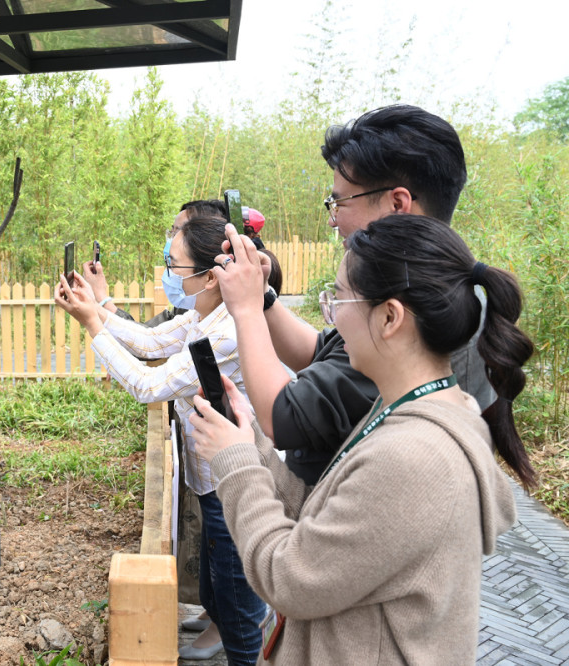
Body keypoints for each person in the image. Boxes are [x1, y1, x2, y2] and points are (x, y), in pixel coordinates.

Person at [189, 214, 530, 664]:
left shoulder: (413, 457)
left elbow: (290, 579)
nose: (331, 317)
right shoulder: (410, 411)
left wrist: (234, 464)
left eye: (339, 298)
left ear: (390, 317)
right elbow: (322, 518)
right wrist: (249, 442)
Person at [217, 104, 495, 484]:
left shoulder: (412, 308)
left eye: (339, 202)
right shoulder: (424, 283)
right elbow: (321, 352)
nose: (332, 219)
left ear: (397, 204)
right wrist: (263, 298)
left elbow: (283, 417)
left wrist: (246, 310)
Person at [55, 216, 266, 665]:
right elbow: (149, 341)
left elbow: (148, 385)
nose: (168, 273)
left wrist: (93, 324)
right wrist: (98, 305)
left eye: (175, 265)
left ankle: (245, 654)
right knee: (215, 584)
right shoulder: (205, 313)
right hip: (213, 481)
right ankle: (226, 633)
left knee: (236, 596)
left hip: (234, 486)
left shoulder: (225, 332)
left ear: (211, 275)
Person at [82, 199, 228, 324]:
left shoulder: (223, 330)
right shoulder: (192, 312)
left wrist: (94, 309)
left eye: (179, 232)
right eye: (172, 232)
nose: (173, 239)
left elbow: (143, 346)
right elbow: (147, 339)